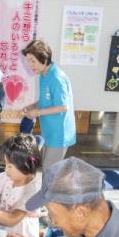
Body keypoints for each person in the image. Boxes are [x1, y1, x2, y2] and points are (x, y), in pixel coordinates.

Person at [21, 40, 76, 171]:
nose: (30, 64)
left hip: (59, 133)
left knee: (50, 170)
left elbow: (63, 107)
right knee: (48, 168)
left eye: (33, 61)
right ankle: (47, 191)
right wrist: (33, 106)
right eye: (28, 60)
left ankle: (50, 192)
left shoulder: (57, 77)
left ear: (44, 59)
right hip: (50, 130)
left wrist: (37, 113)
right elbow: (47, 100)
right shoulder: (43, 74)